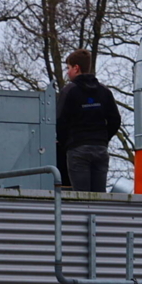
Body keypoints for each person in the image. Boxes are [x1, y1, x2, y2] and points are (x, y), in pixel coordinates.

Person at [55, 48, 121, 193]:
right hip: (100, 149)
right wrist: (103, 139)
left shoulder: (69, 91)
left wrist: (67, 144)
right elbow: (115, 120)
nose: (67, 72)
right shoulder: (104, 91)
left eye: (69, 68)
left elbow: (60, 122)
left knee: (81, 197)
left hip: (78, 150)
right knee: (99, 196)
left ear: (76, 68)